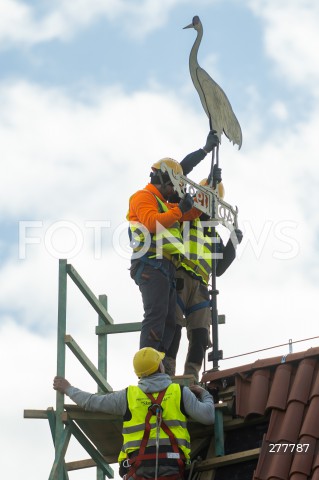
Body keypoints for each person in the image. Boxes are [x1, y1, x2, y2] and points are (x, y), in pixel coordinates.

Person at [53, 347, 215, 480]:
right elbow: (208, 417)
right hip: (171, 467)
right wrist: (204, 394)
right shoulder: (180, 392)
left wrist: (68, 388)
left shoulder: (128, 396)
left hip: (137, 469)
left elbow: (91, 402)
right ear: (160, 367)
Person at [127, 132, 218, 358]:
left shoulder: (165, 205)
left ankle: (158, 363)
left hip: (165, 267)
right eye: (173, 185)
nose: (175, 190)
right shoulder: (143, 197)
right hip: (150, 262)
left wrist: (210, 188)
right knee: (156, 314)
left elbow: (191, 212)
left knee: (168, 320)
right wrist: (179, 210)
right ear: (164, 179)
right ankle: (147, 366)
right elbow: (150, 223)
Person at [165, 179, 243, 380]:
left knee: (200, 334)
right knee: (173, 327)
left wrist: (233, 242)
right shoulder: (187, 218)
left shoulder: (213, 234)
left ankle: (191, 376)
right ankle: (166, 372)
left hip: (200, 286)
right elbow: (172, 200)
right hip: (180, 276)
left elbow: (220, 268)